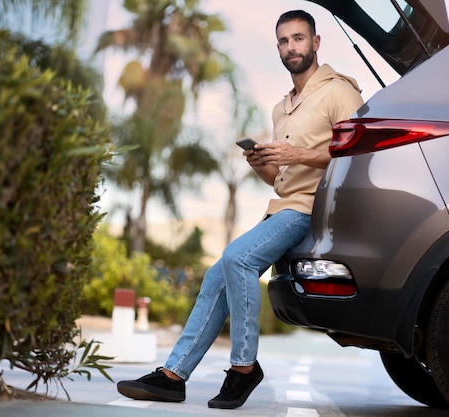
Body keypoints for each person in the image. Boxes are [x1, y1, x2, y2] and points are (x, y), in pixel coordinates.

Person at [116, 9, 364, 409]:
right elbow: (280, 177)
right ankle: (173, 376)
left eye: (299, 38)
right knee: (216, 277)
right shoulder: (282, 107)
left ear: (316, 43)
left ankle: (244, 368)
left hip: (312, 210)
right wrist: (264, 163)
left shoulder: (340, 91)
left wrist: (294, 153)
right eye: (284, 41)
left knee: (238, 258)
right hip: (282, 206)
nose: (291, 47)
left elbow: (356, 157)